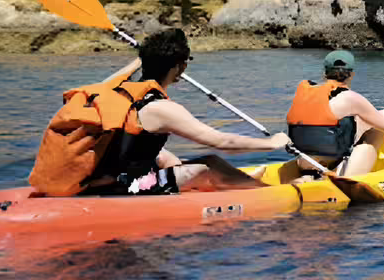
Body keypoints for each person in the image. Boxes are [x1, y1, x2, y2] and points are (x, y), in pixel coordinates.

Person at [31, 27, 290, 196]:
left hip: (103, 177)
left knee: (164, 155)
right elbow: (223, 142)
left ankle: (233, 182)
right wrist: (272, 143)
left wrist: (144, 57)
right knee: (208, 165)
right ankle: (264, 191)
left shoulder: (117, 89)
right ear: (179, 67)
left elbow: (128, 71)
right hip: (122, 187)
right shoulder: (161, 108)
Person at [285, 49, 384, 179]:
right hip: (336, 171)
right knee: (379, 130)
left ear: (324, 73)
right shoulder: (350, 98)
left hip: (304, 165)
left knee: (379, 118)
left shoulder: (307, 92)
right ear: (351, 74)